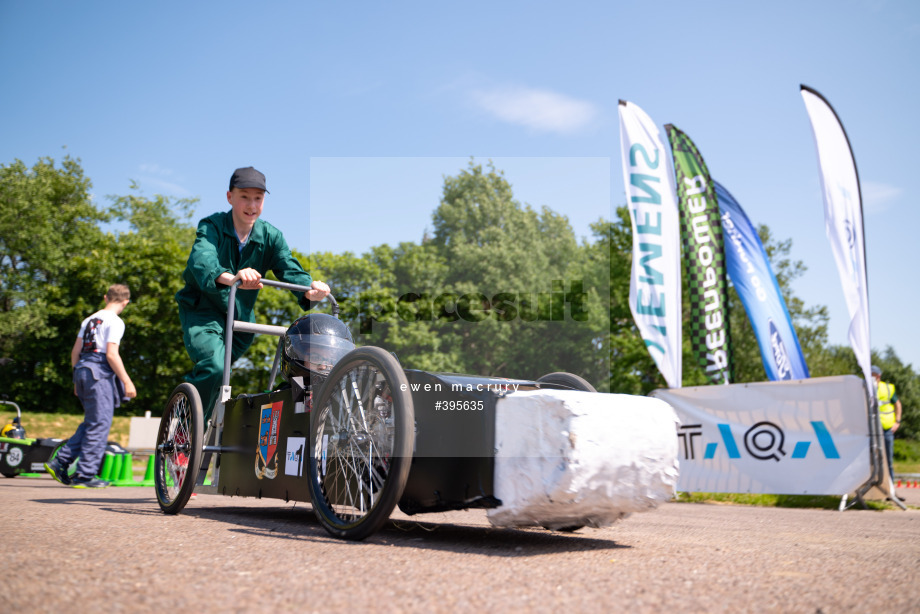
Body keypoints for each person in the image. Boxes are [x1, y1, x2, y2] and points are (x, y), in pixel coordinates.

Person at [176, 166, 329, 422]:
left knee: (220, 377)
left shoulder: (271, 236)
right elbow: (201, 259)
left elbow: (288, 267)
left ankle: (213, 430)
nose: (251, 205)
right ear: (230, 197)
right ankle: (184, 429)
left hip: (241, 321)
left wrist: (311, 290)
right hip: (203, 312)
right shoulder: (212, 226)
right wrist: (231, 278)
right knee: (214, 368)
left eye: (258, 198)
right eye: (244, 196)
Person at [45, 284, 136, 488]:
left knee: (91, 422)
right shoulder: (116, 322)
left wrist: (76, 379)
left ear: (105, 298)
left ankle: (61, 461)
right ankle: (85, 475)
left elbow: (75, 352)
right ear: (125, 302)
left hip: (82, 370)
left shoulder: (89, 320)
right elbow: (111, 354)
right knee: (100, 423)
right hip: (99, 372)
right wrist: (126, 380)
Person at [871, 365, 902, 485]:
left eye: (872, 374)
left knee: (888, 460)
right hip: (871, 430)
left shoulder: (888, 388)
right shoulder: (865, 388)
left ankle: (890, 490)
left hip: (887, 429)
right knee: (872, 461)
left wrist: (897, 422)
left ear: (878, 376)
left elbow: (897, 404)